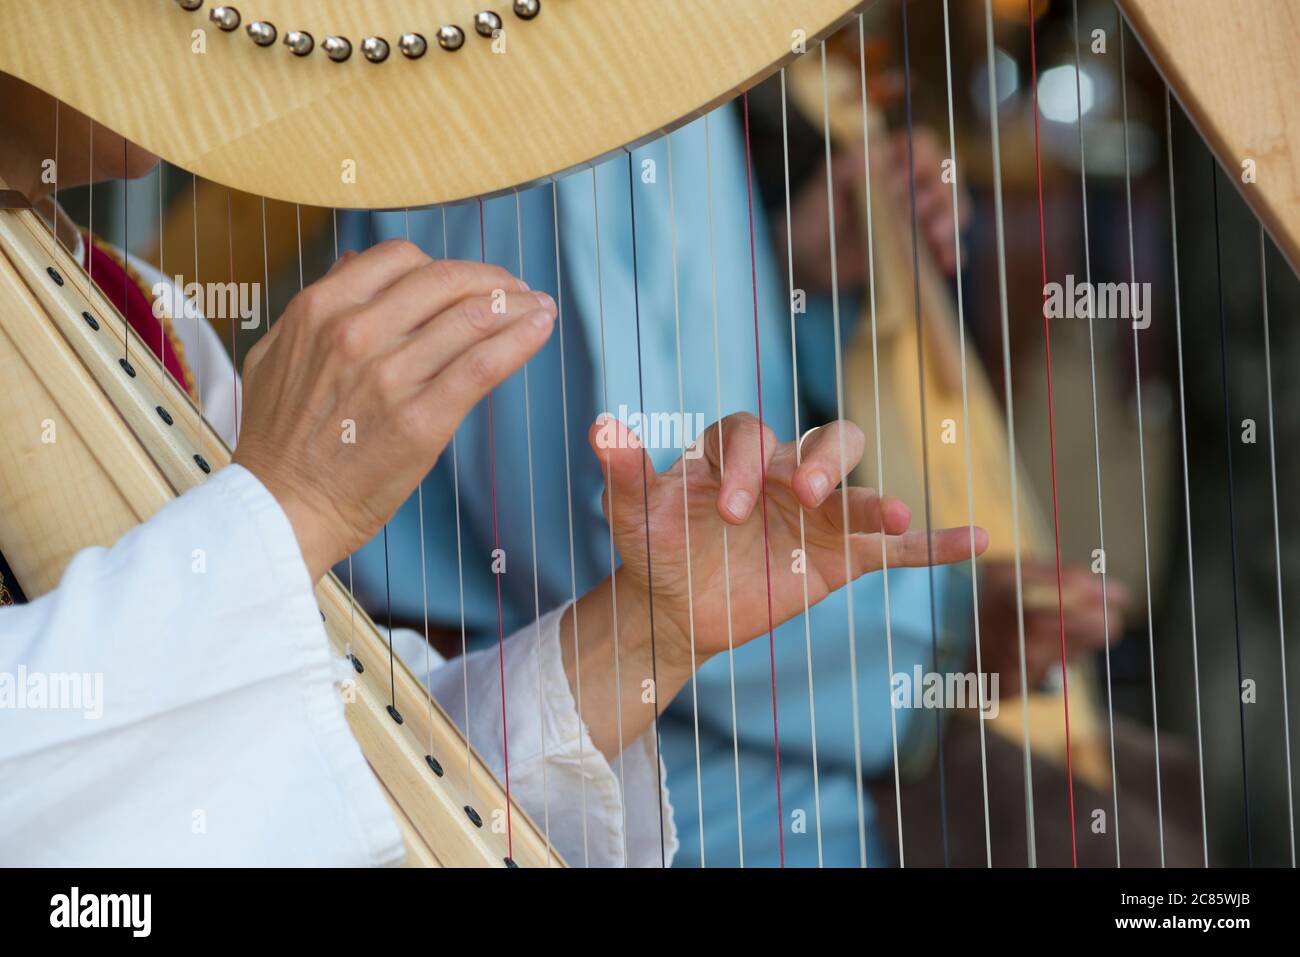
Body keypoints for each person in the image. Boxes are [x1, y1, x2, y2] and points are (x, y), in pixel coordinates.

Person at [0, 73, 981, 867]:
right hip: (758, 754)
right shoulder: (519, 85)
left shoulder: (128, 304)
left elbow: (358, 747)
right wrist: (288, 508)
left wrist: (651, 631)